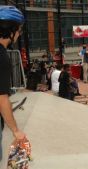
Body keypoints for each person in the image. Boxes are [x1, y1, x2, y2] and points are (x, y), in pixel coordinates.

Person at [0, 6, 26, 161]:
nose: (19, 33)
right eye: (19, 29)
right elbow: (1, 99)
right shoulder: (2, 57)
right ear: (10, 30)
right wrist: (16, 130)